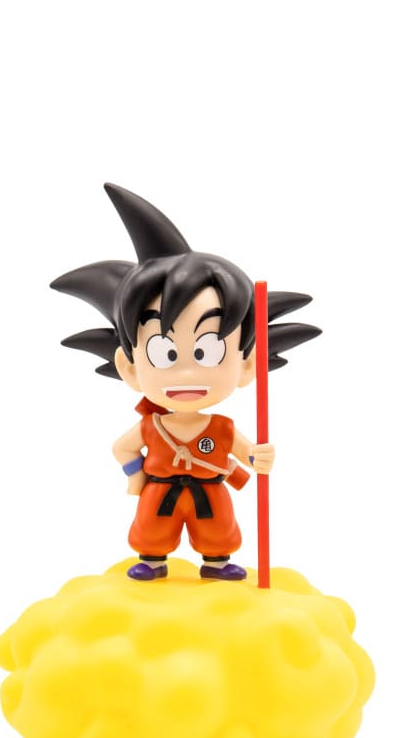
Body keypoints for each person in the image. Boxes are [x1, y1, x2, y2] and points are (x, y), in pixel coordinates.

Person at [51, 184, 320, 580]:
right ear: (129, 367)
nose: (188, 374)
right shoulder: (151, 425)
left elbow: (247, 453)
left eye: (209, 350)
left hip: (211, 491)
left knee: (219, 530)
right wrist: (136, 475)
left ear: (247, 365)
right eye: (163, 352)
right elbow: (121, 447)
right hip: (159, 492)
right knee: (151, 530)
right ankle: (152, 560)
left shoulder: (222, 428)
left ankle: (217, 562)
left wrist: (259, 457)